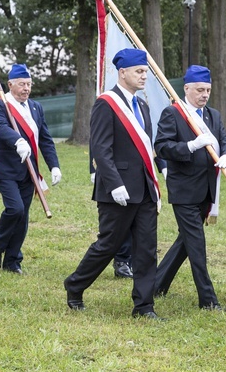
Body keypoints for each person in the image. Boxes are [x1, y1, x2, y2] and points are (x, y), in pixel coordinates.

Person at [64, 48, 162, 319]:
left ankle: (144, 306)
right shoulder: (106, 103)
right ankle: (75, 285)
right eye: (139, 72)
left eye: (145, 72)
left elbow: (147, 148)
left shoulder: (142, 105)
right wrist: (115, 183)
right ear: (122, 73)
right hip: (116, 190)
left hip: (144, 189)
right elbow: (100, 148)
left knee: (146, 249)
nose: (144, 76)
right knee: (108, 244)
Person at [153, 65, 226, 310]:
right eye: (200, 89)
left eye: (208, 90)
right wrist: (191, 145)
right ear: (186, 88)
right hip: (184, 190)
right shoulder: (174, 113)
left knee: (186, 241)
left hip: (207, 190)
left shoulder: (213, 115)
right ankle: (208, 300)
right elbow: (162, 147)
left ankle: (156, 284)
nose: (204, 94)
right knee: (196, 244)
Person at [0, 64, 60, 274]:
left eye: (29, 84)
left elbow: (45, 139)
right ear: (10, 85)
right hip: (6, 169)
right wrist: (17, 140)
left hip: (29, 171)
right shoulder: (0, 104)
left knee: (23, 216)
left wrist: (54, 165)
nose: (26, 88)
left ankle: (12, 260)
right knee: (15, 209)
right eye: (22, 84)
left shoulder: (36, 107)